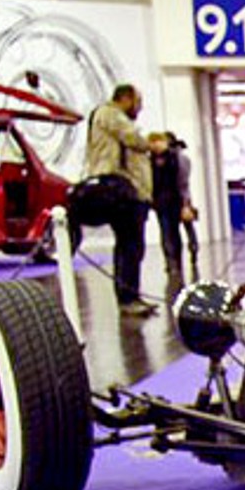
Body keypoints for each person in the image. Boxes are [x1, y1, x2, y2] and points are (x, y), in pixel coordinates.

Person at [72, 83, 164, 317]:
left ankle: (131, 296)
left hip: (133, 195)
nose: (139, 109)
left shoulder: (113, 117)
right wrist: (153, 145)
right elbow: (134, 139)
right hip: (121, 192)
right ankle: (127, 299)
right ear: (125, 98)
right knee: (129, 247)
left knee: (132, 247)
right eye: (137, 103)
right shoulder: (109, 113)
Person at [149, 132, 197, 298]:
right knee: (167, 233)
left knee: (180, 231)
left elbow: (182, 183)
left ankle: (189, 253)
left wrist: (186, 203)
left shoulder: (176, 159)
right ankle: (172, 262)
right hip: (161, 204)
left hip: (177, 201)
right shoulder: (151, 160)